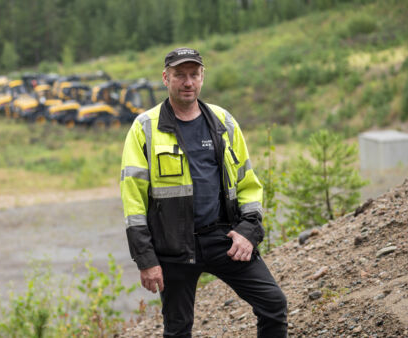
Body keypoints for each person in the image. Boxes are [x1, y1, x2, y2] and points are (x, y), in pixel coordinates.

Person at [120, 47, 287, 337]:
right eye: (179, 75)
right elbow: (133, 201)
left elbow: (248, 183)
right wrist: (146, 260)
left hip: (224, 239)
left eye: (194, 75)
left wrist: (249, 230)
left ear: (202, 77)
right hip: (174, 249)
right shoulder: (144, 127)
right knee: (178, 329)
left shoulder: (223, 121)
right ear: (165, 77)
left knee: (274, 304)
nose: (188, 82)